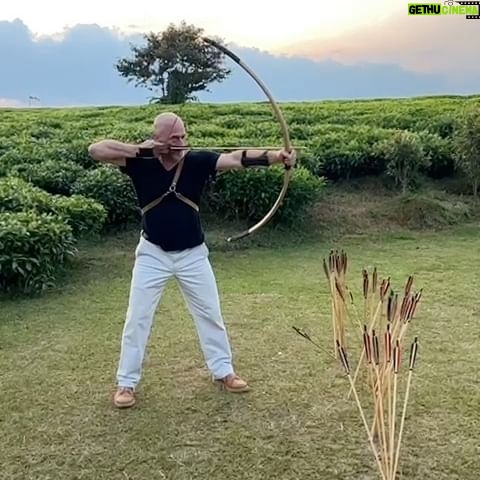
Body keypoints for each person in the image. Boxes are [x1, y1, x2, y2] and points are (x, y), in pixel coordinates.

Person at [88, 112, 296, 408]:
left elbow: (236, 158)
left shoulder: (197, 161)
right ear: (158, 138)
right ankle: (126, 383)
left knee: (210, 313)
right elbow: (95, 150)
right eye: (174, 138)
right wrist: (142, 150)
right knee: (137, 319)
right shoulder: (139, 162)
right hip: (152, 254)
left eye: (184, 136)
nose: (181, 142)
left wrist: (277, 156)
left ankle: (224, 371)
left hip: (193, 255)